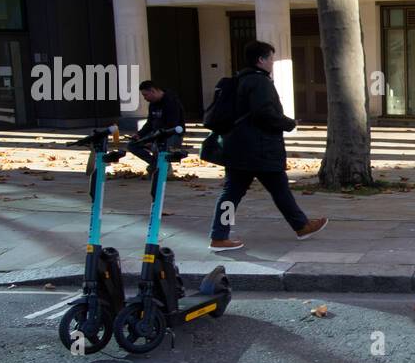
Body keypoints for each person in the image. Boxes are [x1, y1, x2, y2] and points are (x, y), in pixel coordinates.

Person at [209, 40, 326, 251]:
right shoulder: (259, 82)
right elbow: (264, 113)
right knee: (279, 190)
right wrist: (289, 123)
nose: (272, 61)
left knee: (232, 193)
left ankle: (219, 236)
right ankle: (301, 226)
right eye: (271, 57)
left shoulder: (239, 80)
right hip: (260, 148)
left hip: (238, 148)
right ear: (261, 60)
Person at [126, 80, 185, 201]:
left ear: (153, 91)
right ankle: (154, 164)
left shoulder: (171, 102)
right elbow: (149, 123)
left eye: (145, 95)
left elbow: (171, 125)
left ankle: (159, 166)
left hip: (171, 135)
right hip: (155, 135)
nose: (145, 98)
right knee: (132, 145)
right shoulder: (152, 104)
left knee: (157, 147)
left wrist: (153, 140)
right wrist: (139, 135)